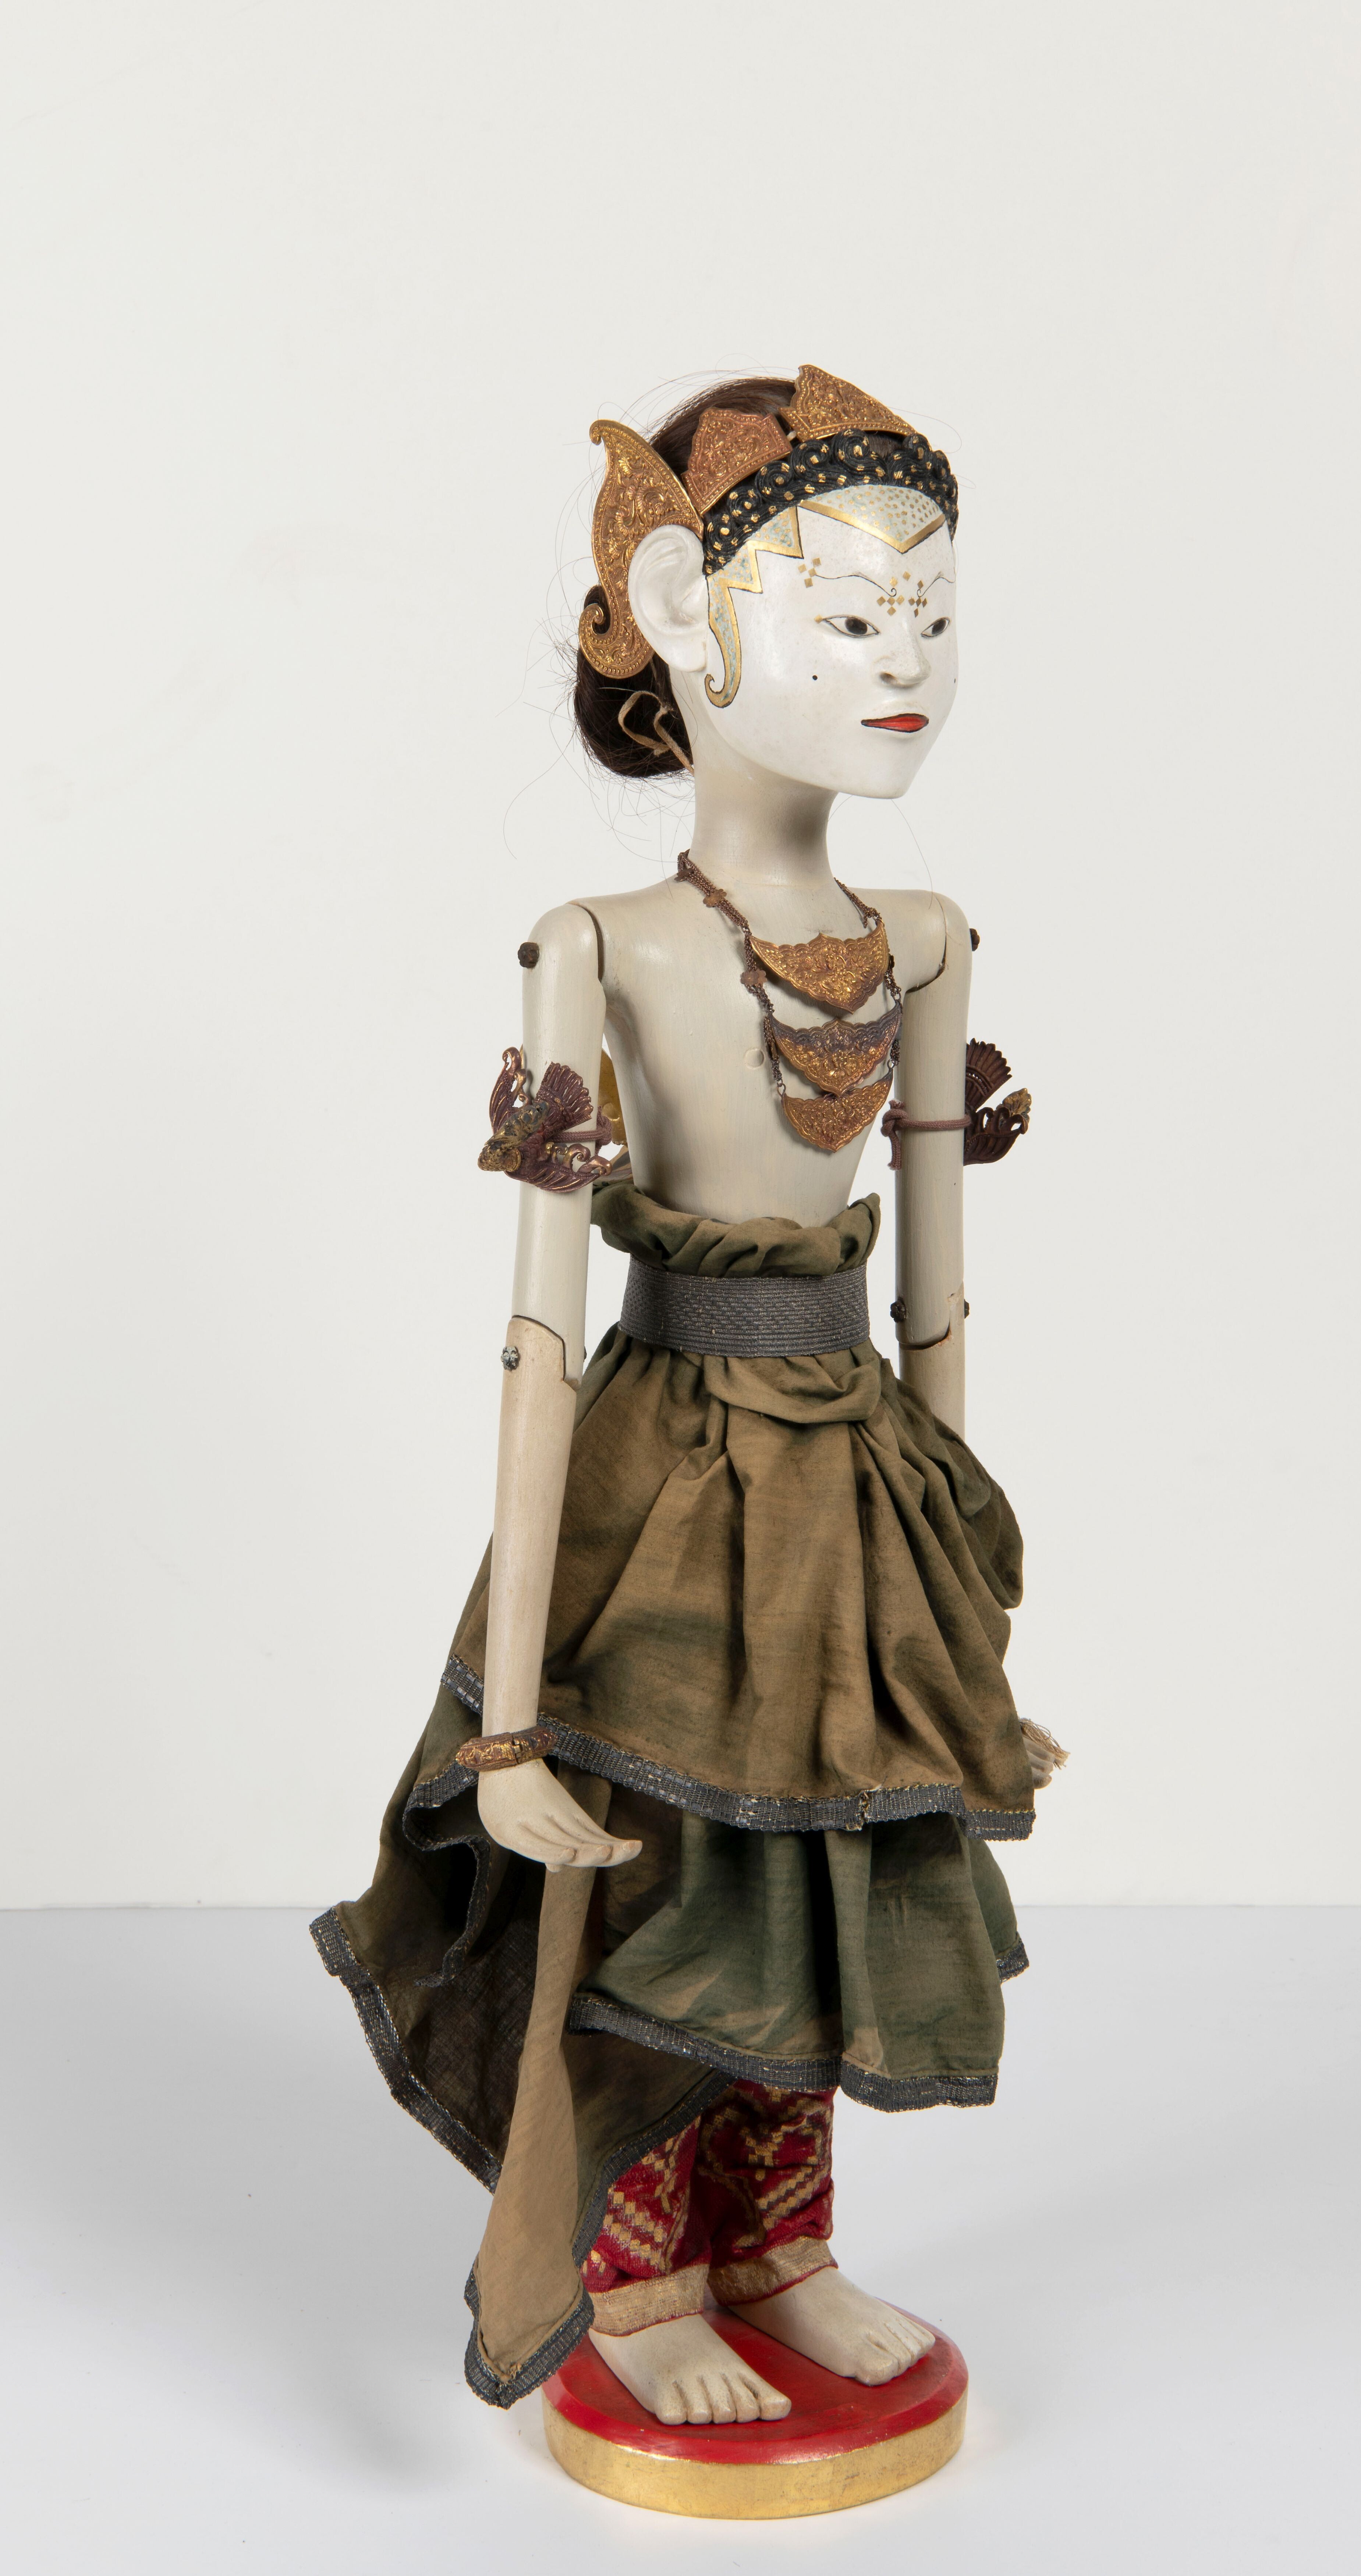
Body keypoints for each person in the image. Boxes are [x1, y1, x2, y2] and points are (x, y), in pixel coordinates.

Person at [314, 367, 1055, 2430]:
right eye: (851, 614)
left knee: (822, 1864)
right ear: (676, 611)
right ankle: (638, 2276)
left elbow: (934, 1293)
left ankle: (781, 2245)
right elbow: (540, 1332)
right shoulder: (603, 943)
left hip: (854, 1476)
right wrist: (507, 1718)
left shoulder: (924, 937)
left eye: (932, 616)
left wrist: (959, 1610)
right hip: (658, 1476)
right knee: (653, 1869)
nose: (905, 662)